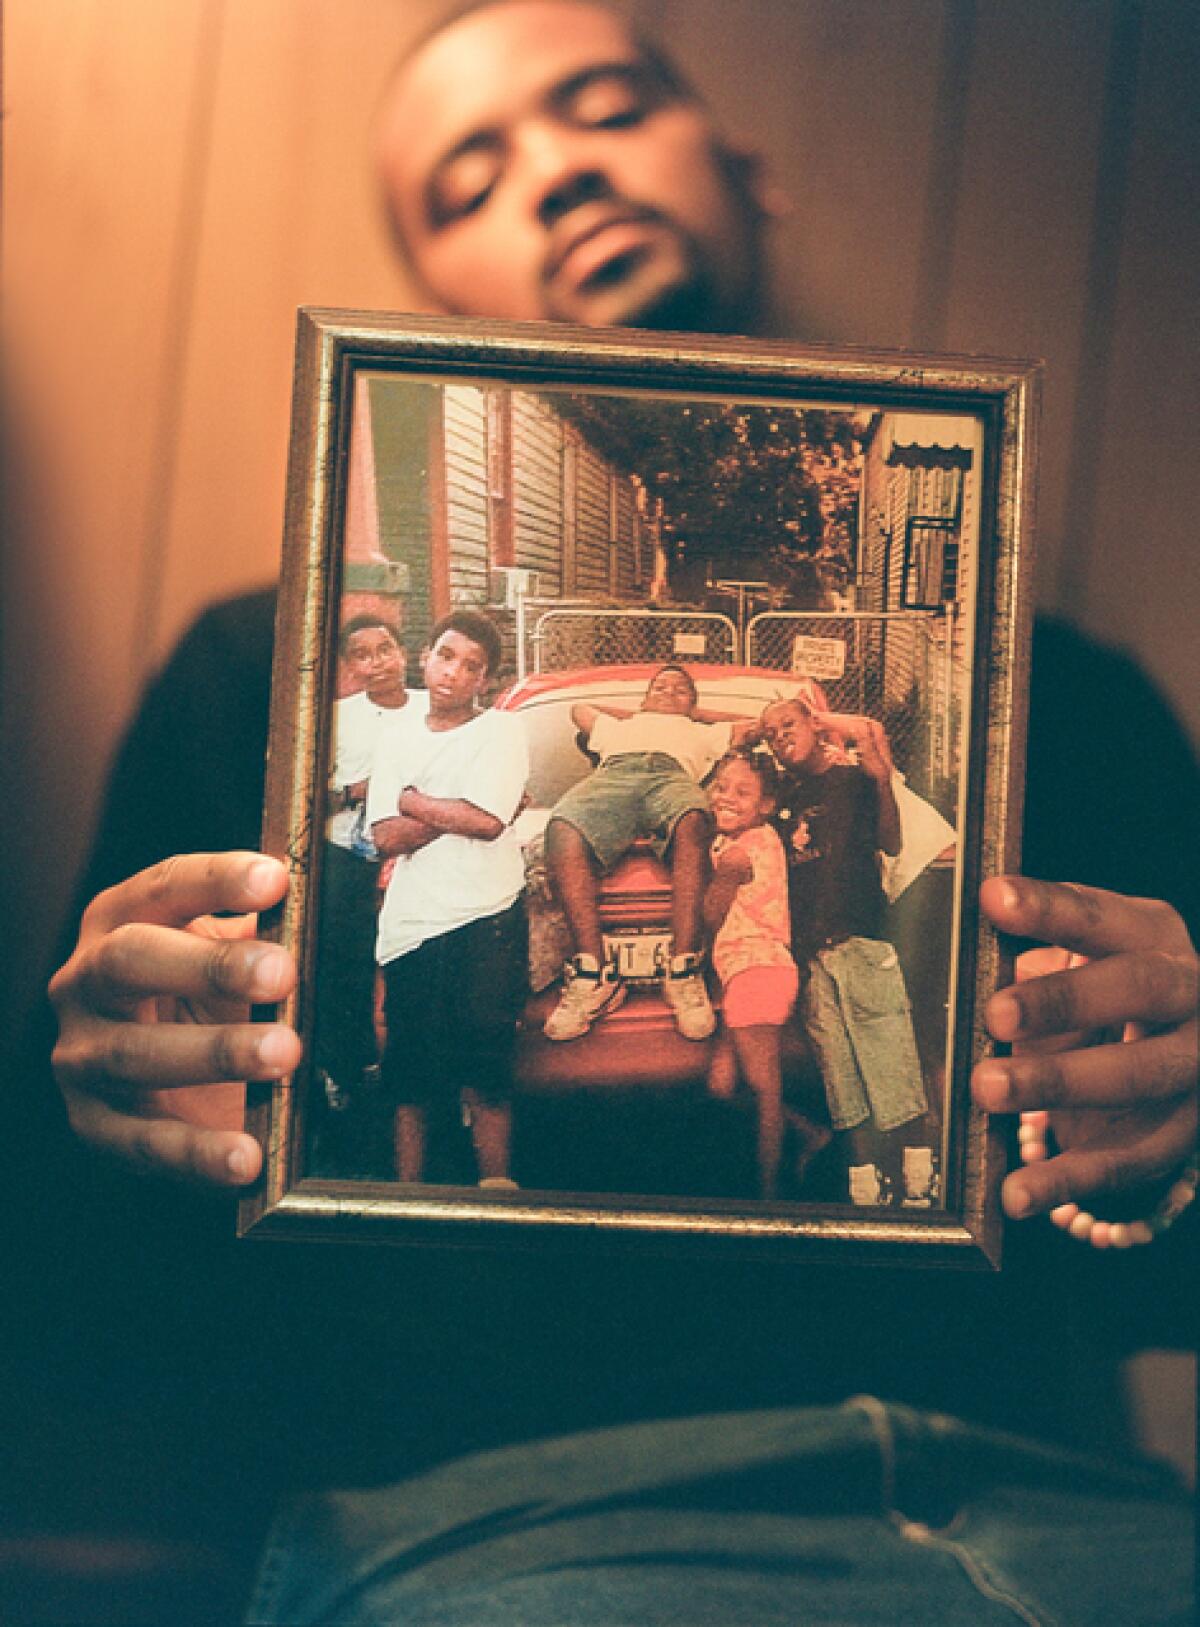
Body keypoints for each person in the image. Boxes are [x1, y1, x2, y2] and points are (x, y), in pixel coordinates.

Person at [33, 3, 1199, 1621]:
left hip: (1039, 1495)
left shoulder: (1055, 697)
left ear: (746, 173)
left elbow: (1160, 1274)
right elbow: (85, 1286)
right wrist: (98, 1102)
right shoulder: (264, 678)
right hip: (499, 1515)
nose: (561, 171)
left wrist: (1168, 1139)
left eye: (604, 105)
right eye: (470, 179)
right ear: (433, 301)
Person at [366, 610, 528, 1184]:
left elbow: (487, 824)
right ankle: (408, 1196)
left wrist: (411, 799)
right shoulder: (395, 736)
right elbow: (383, 836)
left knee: (487, 1069)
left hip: (490, 917)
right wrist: (460, 809)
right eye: (446, 656)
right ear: (425, 657)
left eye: (471, 667)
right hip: (413, 927)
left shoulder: (503, 731)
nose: (453, 673)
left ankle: (496, 1192)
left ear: (484, 680)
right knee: (409, 1072)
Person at [761, 697, 936, 1206]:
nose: (779, 737)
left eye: (788, 725)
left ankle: (920, 1174)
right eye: (770, 734)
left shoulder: (854, 779)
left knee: (890, 1056)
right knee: (841, 1072)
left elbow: (893, 841)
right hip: (812, 958)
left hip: (861, 939)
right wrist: (760, 731)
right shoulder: (785, 802)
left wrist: (880, 779)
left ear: (815, 725)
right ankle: (865, 1177)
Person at [543, 662, 755, 1042]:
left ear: (694, 704)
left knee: (694, 817)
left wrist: (693, 716)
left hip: (671, 778)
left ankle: (683, 970)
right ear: (644, 698)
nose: (670, 691)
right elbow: (579, 711)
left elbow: (757, 724)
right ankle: (593, 973)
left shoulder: (703, 733)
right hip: (614, 775)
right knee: (563, 826)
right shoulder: (619, 728)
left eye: (681, 690)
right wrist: (649, 714)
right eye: (660, 686)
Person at [703, 748, 829, 1199]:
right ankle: (809, 1132)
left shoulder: (746, 849)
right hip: (737, 975)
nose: (726, 798)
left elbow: (710, 914)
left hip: (759, 971)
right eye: (720, 788)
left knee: (762, 1091)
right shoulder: (737, 841)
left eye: (742, 792)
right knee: (721, 1086)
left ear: (766, 805)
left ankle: (768, 1194)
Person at [314, 614, 423, 1117]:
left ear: (404, 652)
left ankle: (416, 1072)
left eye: (385, 649)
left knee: (415, 959)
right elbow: (308, 796)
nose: (377, 662)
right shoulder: (334, 717)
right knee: (347, 962)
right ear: (349, 666)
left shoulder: (433, 708)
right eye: (363, 654)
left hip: (420, 849)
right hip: (349, 854)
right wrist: (355, 791)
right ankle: (347, 1069)